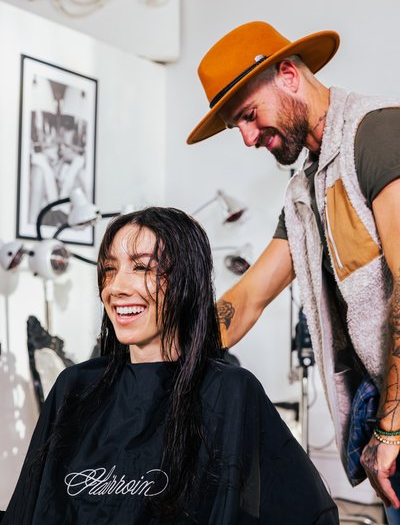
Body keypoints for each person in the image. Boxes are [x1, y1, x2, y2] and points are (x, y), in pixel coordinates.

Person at [186, 20, 400, 524]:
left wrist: (390, 425)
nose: (246, 138)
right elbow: (252, 295)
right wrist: (174, 350)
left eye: (248, 115)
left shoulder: (378, 133)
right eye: (236, 126)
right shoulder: (305, 192)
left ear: (287, 75)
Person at [0, 207, 338, 524]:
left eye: (143, 267)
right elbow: (31, 508)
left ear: (184, 282)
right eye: (109, 269)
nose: (116, 287)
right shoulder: (74, 386)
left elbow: (304, 511)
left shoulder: (230, 391)